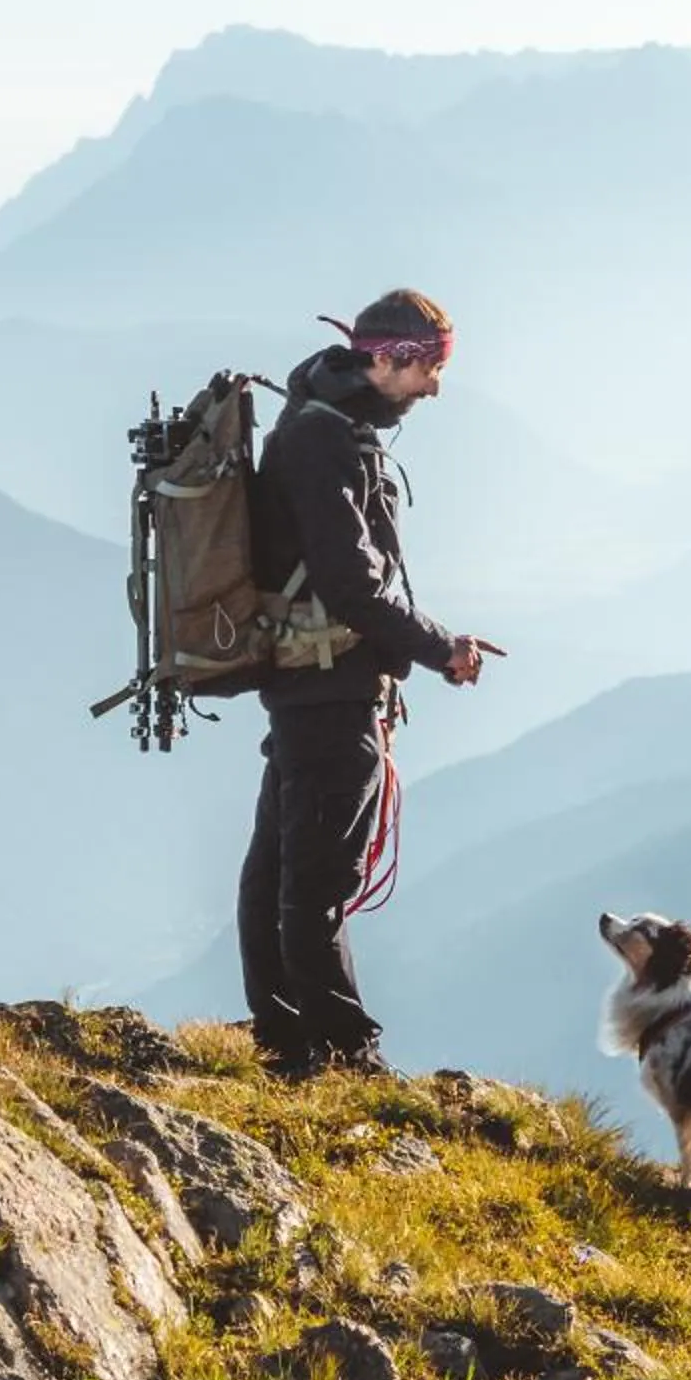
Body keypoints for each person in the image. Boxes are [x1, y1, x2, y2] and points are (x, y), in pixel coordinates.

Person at [236, 289, 486, 1078]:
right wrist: (443, 648)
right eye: (426, 368)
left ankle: (287, 1043)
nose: (434, 387)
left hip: (314, 681)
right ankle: (342, 1056)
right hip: (330, 687)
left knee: (281, 865)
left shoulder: (323, 425)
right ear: (385, 357)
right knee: (315, 882)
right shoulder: (326, 443)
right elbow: (354, 587)